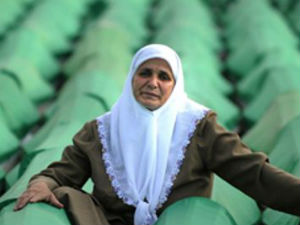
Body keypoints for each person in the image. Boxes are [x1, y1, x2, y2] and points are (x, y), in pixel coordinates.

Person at [14, 44, 300, 225]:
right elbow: (62, 173)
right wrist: (42, 182)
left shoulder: (198, 127)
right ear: (131, 79)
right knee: (63, 196)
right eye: (145, 73)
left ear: (175, 86)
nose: (153, 83)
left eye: (164, 77)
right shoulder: (101, 130)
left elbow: (254, 173)